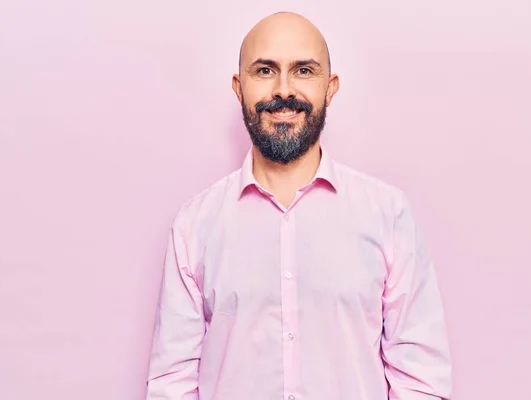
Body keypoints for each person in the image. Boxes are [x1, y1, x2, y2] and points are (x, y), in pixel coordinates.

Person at [146, 11, 452, 400]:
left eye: (304, 70)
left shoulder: (388, 215)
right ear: (239, 88)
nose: (284, 90)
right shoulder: (195, 225)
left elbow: (420, 378)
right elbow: (172, 384)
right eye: (265, 70)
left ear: (330, 87)